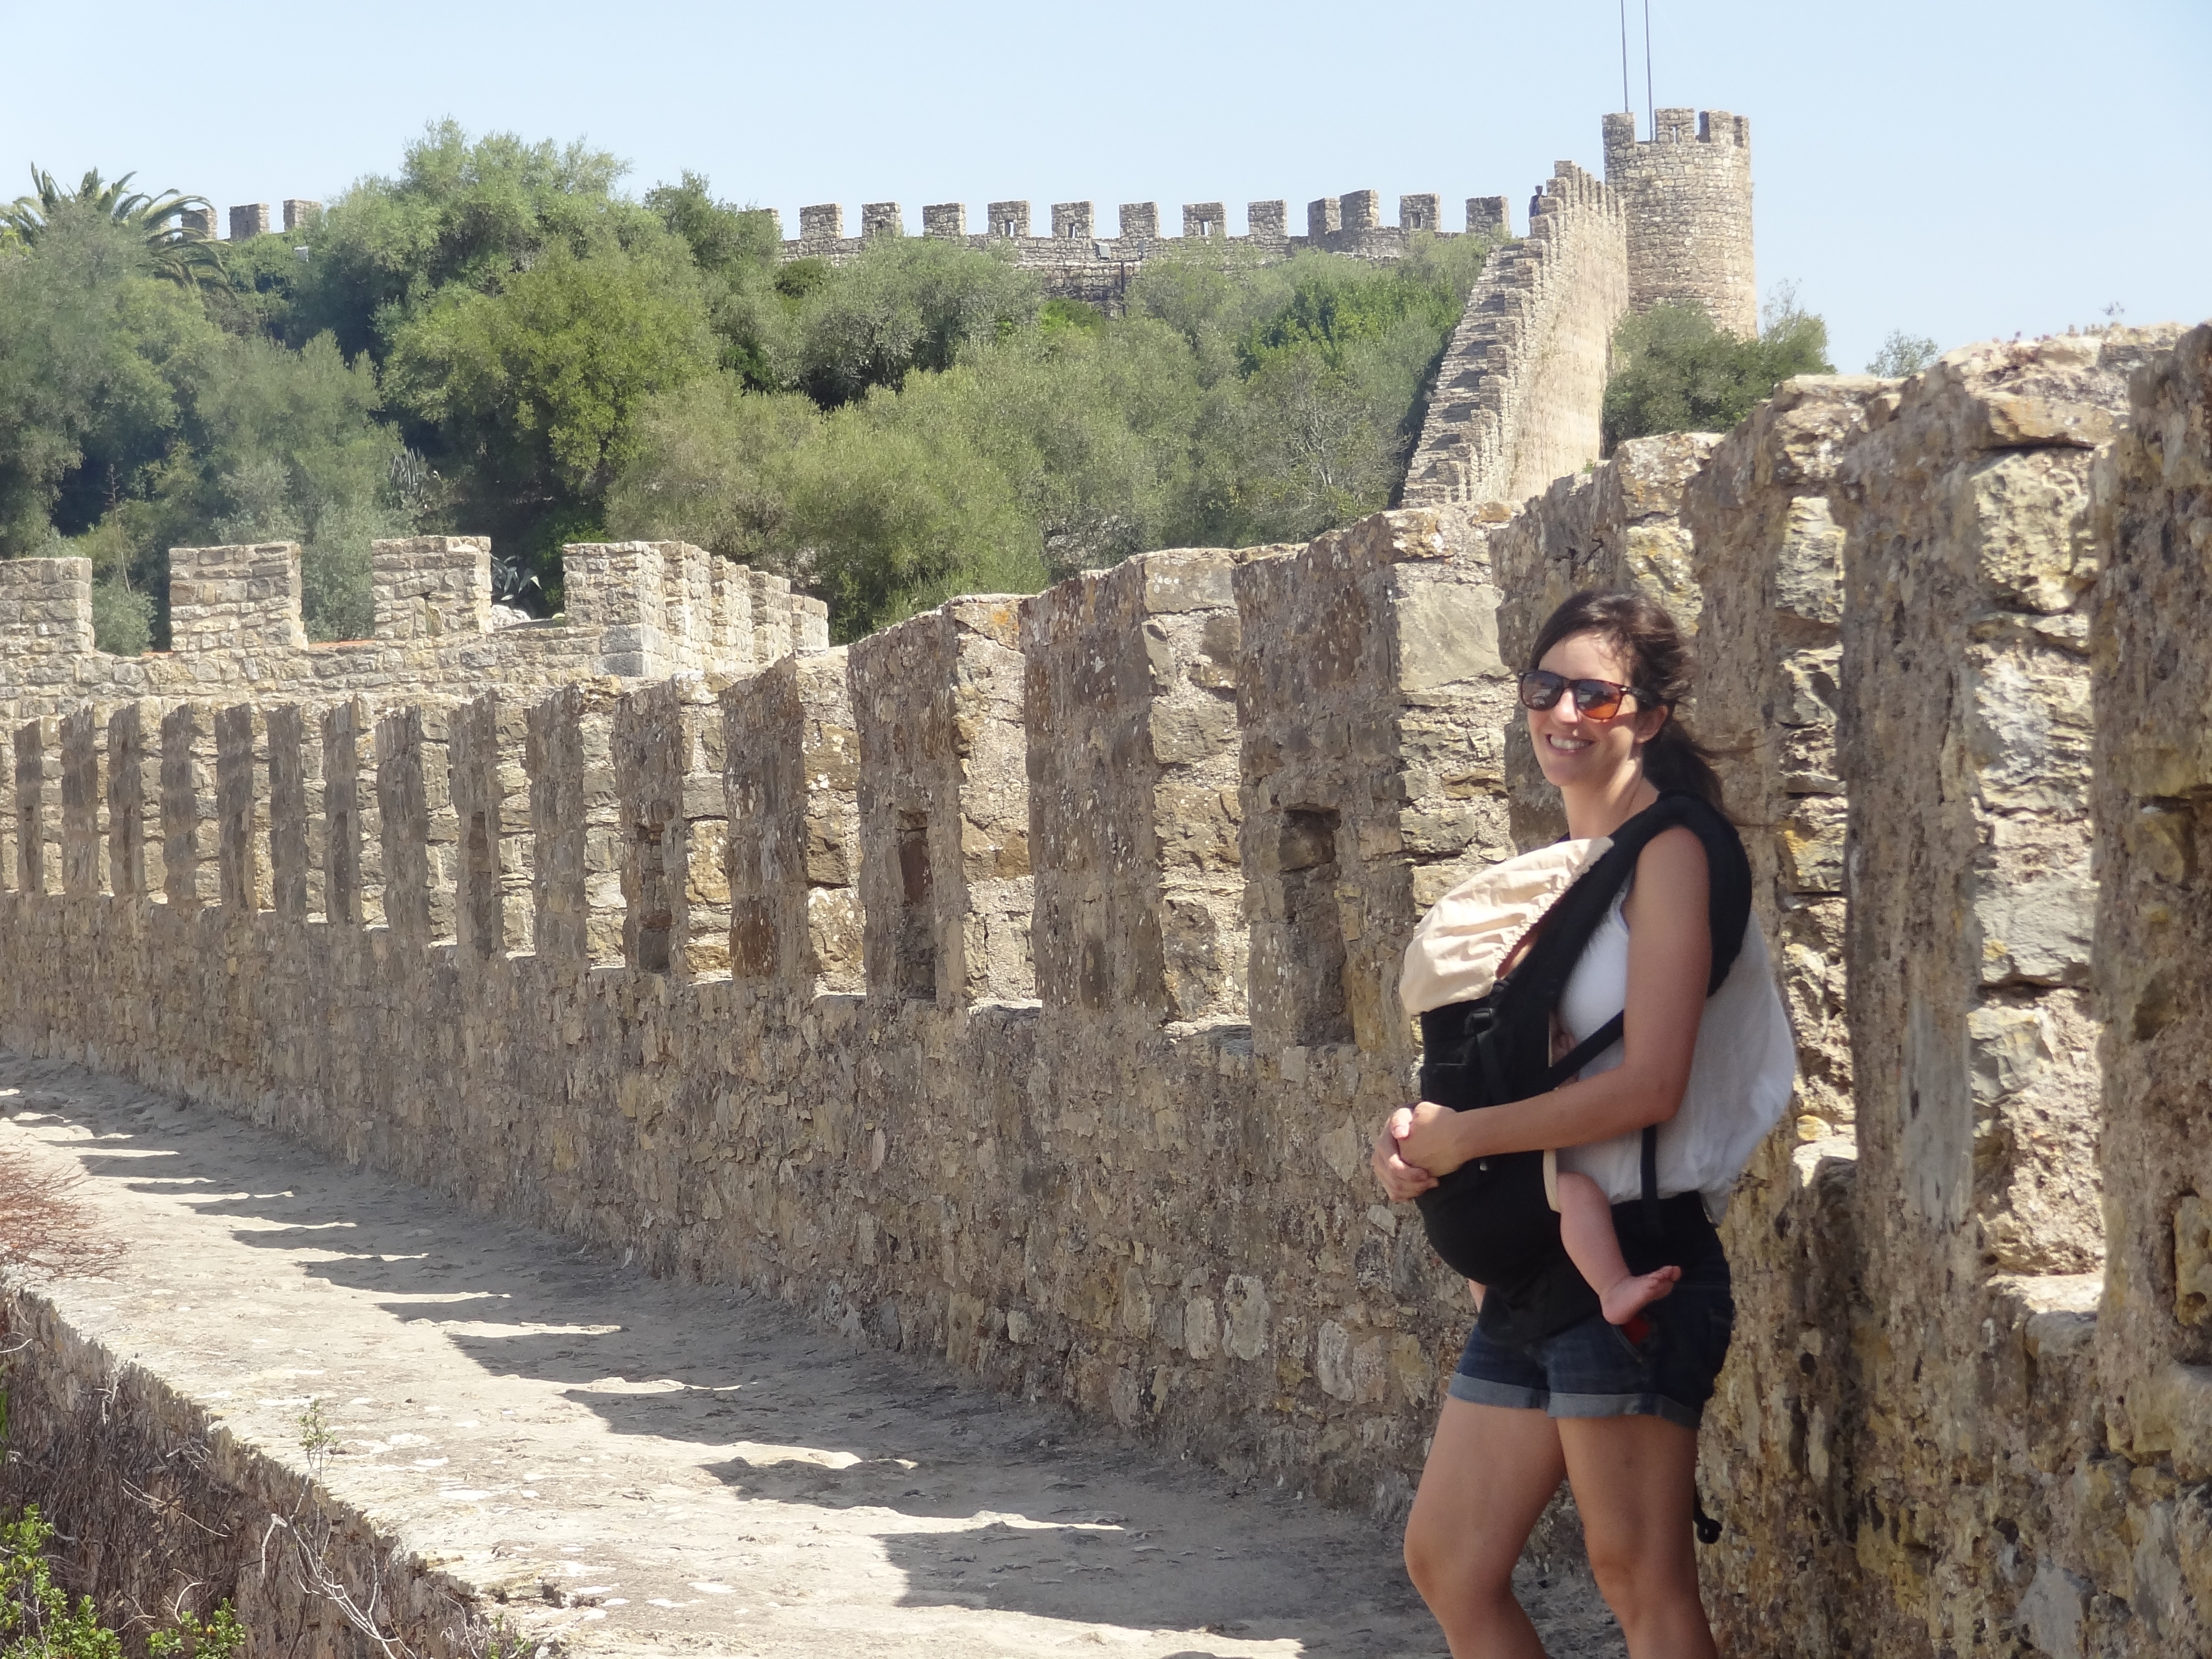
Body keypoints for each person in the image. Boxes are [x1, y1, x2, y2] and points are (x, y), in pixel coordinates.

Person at [1371, 588, 1794, 1659]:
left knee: (1639, 1579)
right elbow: (1505, 1064)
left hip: (1637, 1256)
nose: (1563, 713)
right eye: (1545, 688)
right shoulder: (1563, 873)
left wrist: (1472, 1141)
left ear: (1646, 716)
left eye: (1594, 696)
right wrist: (1417, 1137)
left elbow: (1652, 1084)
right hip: (1534, 1270)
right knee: (1450, 1562)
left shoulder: (1674, 850)